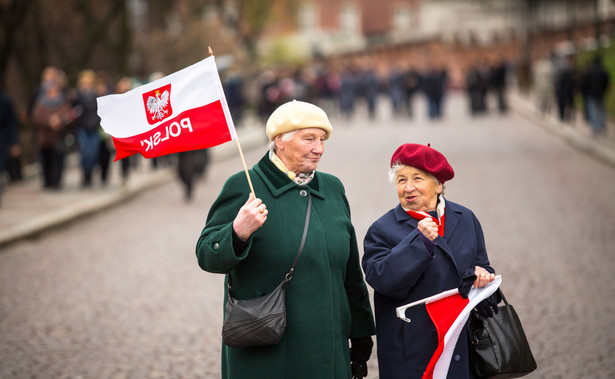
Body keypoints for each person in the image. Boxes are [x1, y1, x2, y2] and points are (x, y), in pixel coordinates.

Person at [196, 100, 376, 378]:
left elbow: (350, 270)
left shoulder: (332, 188)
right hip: (266, 351)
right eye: (309, 139)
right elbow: (207, 254)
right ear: (280, 141)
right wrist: (237, 231)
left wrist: (361, 331)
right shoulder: (243, 185)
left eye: (322, 139)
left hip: (328, 350)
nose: (319, 148)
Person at [362, 143, 500, 379]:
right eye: (401, 180)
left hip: (460, 345)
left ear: (438, 184)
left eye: (417, 178)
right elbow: (383, 280)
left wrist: (483, 276)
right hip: (411, 352)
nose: (408, 187)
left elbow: (482, 266)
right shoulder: (382, 229)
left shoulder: (465, 218)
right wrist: (420, 241)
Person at [73, 69, 102, 187]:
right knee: (85, 151)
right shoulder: (78, 97)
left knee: (93, 151)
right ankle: (85, 175)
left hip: (94, 128)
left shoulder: (96, 96)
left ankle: (90, 173)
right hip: (82, 128)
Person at [582, 55, 610, 136]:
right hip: (601, 93)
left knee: (593, 110)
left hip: (591, 94)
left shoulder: (590, 71)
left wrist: (586, 93)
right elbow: (607, 81)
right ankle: (602, 125)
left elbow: (586, 82)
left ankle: (595, 127)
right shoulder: (603, 70)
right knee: (602, 110)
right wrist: (604, 90)